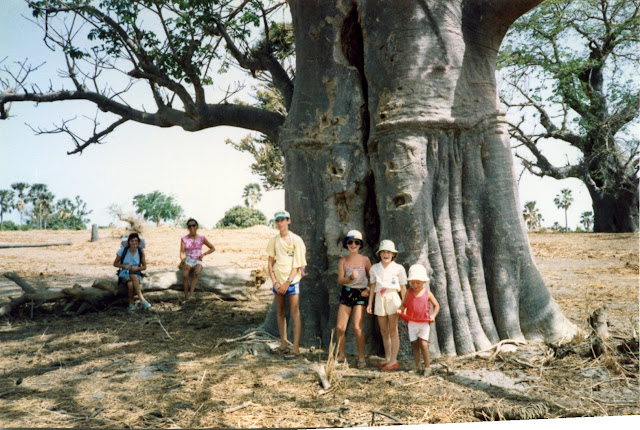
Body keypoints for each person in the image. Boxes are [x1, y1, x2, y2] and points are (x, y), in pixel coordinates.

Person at [266, 210, 307, 360]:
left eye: (283, 220)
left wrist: (287, 282)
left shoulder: (297, 240)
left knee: (295, 312)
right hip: (277, 282)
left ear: (288, 221)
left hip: (292, 281)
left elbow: (297, 264)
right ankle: (283, 343)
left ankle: (295, 347)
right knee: (280, 311)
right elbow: (270, 264)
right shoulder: (273, 241)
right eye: (277, 220)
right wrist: (275, 282)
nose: (280, 223)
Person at [366, 239, 406, 371]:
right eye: (383, 251)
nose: (386, 254)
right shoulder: (374, 268)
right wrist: (370, 303)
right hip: (379, 298)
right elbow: (372, 286)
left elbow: (403, 288)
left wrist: (404, 305)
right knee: (384, 331)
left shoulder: (398, 268)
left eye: (388, 252)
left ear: (393, 254)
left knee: (393, 330)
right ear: (380, 254)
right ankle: (388, 358)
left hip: (393, 298)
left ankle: (394, 360)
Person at [336, 230, 371, 368]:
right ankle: (341, 354)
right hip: (347, 293)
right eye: (350, 242)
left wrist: (368, 289)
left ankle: (361, 357)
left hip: (360, 295)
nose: (353, 244)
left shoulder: (365, 260)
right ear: (346, 244)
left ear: (360, 245)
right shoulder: (343, 261)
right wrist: (350, 277)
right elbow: (340, 280)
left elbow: (373, 277)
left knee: (357, 327)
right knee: (340, 327)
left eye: (356, 242)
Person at [398, 264, 440, 375]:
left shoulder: (427, 293)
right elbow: (404, 304)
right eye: (412, 282)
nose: (415, 285)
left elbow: (437, 305)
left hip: (424, 323)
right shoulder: (408, 292)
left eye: (418, 283)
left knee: (424, 344)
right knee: (415, 344)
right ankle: (417, 367)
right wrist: (400, 310)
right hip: (412, 322)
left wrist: (433, 316)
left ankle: (427, 367)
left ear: (424, 282)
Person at [179, 218, 215, 301]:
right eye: (189, 226)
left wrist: (204, 254)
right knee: (185, 276)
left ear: (197, 227)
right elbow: (181, 252)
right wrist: (183, 260)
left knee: (196, 272)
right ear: (187, 228)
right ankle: (186, 296)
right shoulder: (184, 239)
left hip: (198, 260)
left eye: (193, 225)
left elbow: (212, 248)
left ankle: (191, 295)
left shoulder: (202, 238)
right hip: (188, 259)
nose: (192, 228)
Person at [113, 233, 149, 310]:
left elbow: (144, 267)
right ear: (129, 242)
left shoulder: (140, 251)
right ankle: (142, 299)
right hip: (124, 274)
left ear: (138, 242)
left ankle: (131, 303)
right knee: (134, 276)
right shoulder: (123, 251)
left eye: (136, 241)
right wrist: (124, 266)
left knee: (130, 284)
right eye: (132, 241)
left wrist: (137, 269)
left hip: (136, 272)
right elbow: (115, 264)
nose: (134, 242)